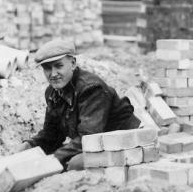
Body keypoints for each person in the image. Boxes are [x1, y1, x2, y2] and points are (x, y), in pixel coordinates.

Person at [18, 39, 140, 170]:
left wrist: (51, 160)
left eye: (59, 66)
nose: (53, 74)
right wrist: (29, 145)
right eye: (47, 68)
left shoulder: (91, 88)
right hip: (99, 143)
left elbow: (88, 138)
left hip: (127, 142)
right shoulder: (52, 93)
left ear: (73, 63)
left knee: (74, 163)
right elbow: (51, 135)